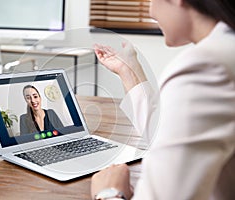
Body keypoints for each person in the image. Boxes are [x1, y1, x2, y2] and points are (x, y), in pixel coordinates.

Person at [91, 0, 235, 199]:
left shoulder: (207, 66)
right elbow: (169, 131)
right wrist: (128, 70)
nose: (151, 12)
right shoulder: (226, 49)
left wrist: (108, 193)